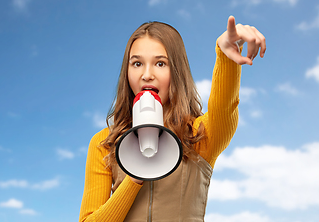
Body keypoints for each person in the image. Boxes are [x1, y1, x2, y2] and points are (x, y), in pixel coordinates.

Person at [79, 15, 266, 222]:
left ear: (176, 71)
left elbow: (224, 109)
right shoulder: (104, 144)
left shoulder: (199, 136)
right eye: (137, 63)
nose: (147, 74)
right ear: (127, 72)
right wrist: (134, 177)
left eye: (160, 64)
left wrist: (226, 57)